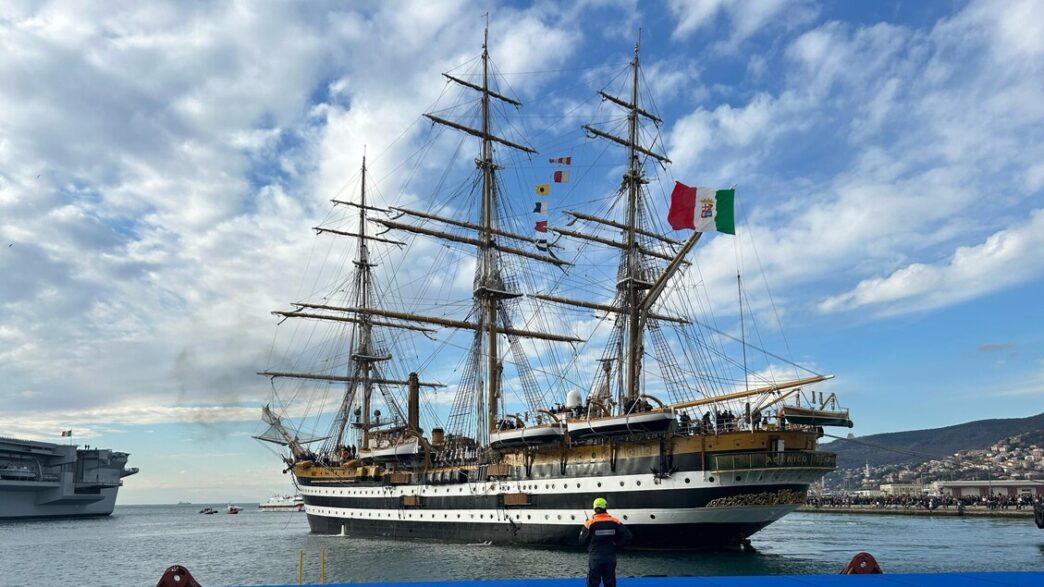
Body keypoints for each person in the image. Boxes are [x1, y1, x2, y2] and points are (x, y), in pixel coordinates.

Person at [579, 497, 631, 587]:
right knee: (610, 582)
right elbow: (628, 536)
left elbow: (581, 541)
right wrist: (617, 546)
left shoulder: (590, 523)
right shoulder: (615, 521)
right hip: (610, 557)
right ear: (605, 507)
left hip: (595, 557)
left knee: (593, 583)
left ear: (594, 508)